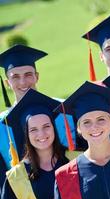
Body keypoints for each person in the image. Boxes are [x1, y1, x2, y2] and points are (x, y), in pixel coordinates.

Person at [0, 45, 80, 173]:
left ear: (37, 76)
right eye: (15, 77)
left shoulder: (65, 110)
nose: (22, 82)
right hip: (23, 190)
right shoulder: (1, 125)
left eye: (28, 75)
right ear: (7, 83)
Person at [1, 89, 69, 199]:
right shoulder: (16, 177)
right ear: (26, 134)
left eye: (46, 126)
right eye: (33, 130)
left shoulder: (76, 160)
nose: (41, 134)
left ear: (54, 128)